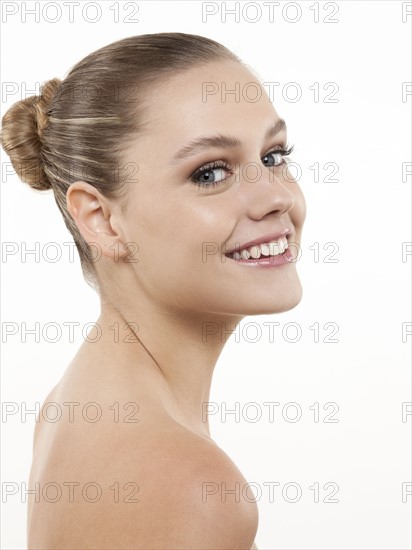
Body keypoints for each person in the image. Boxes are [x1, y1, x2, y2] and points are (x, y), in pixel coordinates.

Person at [1, 32, 306, 549]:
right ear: (102, 221)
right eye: (211, 172)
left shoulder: (76, 402)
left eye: (274, 156)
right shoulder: (187, 485)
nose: (276, 196)